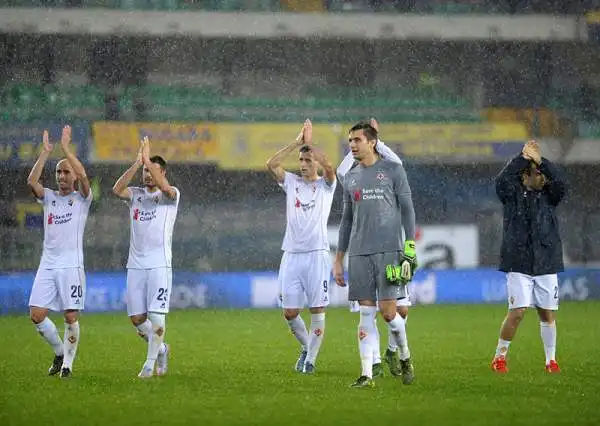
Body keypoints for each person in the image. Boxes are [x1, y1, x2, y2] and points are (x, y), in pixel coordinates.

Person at [334, 121, 417, 388]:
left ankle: (404, 355)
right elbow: (347, 220)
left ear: (372, 142)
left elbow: (408, 209)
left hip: (390, 251)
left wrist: (410, 246)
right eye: (350, 141)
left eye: (357, 140)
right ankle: (366, 374)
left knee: (390, 314)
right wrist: (339, 258)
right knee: (365, 315)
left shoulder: (393, 170)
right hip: (359, 253)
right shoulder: (351, 176)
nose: (352, 145)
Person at [491, 140, 567, 374]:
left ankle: (550, 360)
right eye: (535, 173)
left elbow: (561, 183)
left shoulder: (549, 196)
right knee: (518, 312)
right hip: (519, 262)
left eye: (541, 173)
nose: (541, 176)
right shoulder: (512, 194)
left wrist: (541, 161)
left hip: (546, 261)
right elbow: (501, 180)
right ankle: (499, 357)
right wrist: (523, 158)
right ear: (525, 176)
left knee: (546, 313)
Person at [267, 119, 336, 374]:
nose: (304, 165)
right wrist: (298, 143)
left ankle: (310, 362)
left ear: (316, 162)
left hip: (317, 255)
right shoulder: (292, 183)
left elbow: (330, 167)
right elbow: (271, 164)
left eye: (308, 161)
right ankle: (307, 347)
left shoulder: (326, 186)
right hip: (292, 255)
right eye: (302, 160)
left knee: (317, 309)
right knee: (290, 312)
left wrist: (311, 146)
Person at [27, 126, 92, 378]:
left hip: (71, 265)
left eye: (66, 172)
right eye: (58, 172)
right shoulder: (49, 197)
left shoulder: (82, 199)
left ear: (73, 176)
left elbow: (85, 176)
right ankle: (59, 352)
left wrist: (66, 149)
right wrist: (45, 153)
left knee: (70, 315)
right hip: (48, 263)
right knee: (37, 314)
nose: (62, 176)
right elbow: (32, 181)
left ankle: (67, 365)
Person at [112, 136, 180, 378]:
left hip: (160, 264)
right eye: (145, 171)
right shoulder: (136, 195)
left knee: (155, 314)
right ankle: (161, 349)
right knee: (137, 318)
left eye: (153, 171)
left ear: (163, 172)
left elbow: (166, 188)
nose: (148, 175)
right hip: (136, 265)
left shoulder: (170, 196)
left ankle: (149, 364)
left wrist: (148, 160)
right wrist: (136, 162)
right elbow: (116, 190)